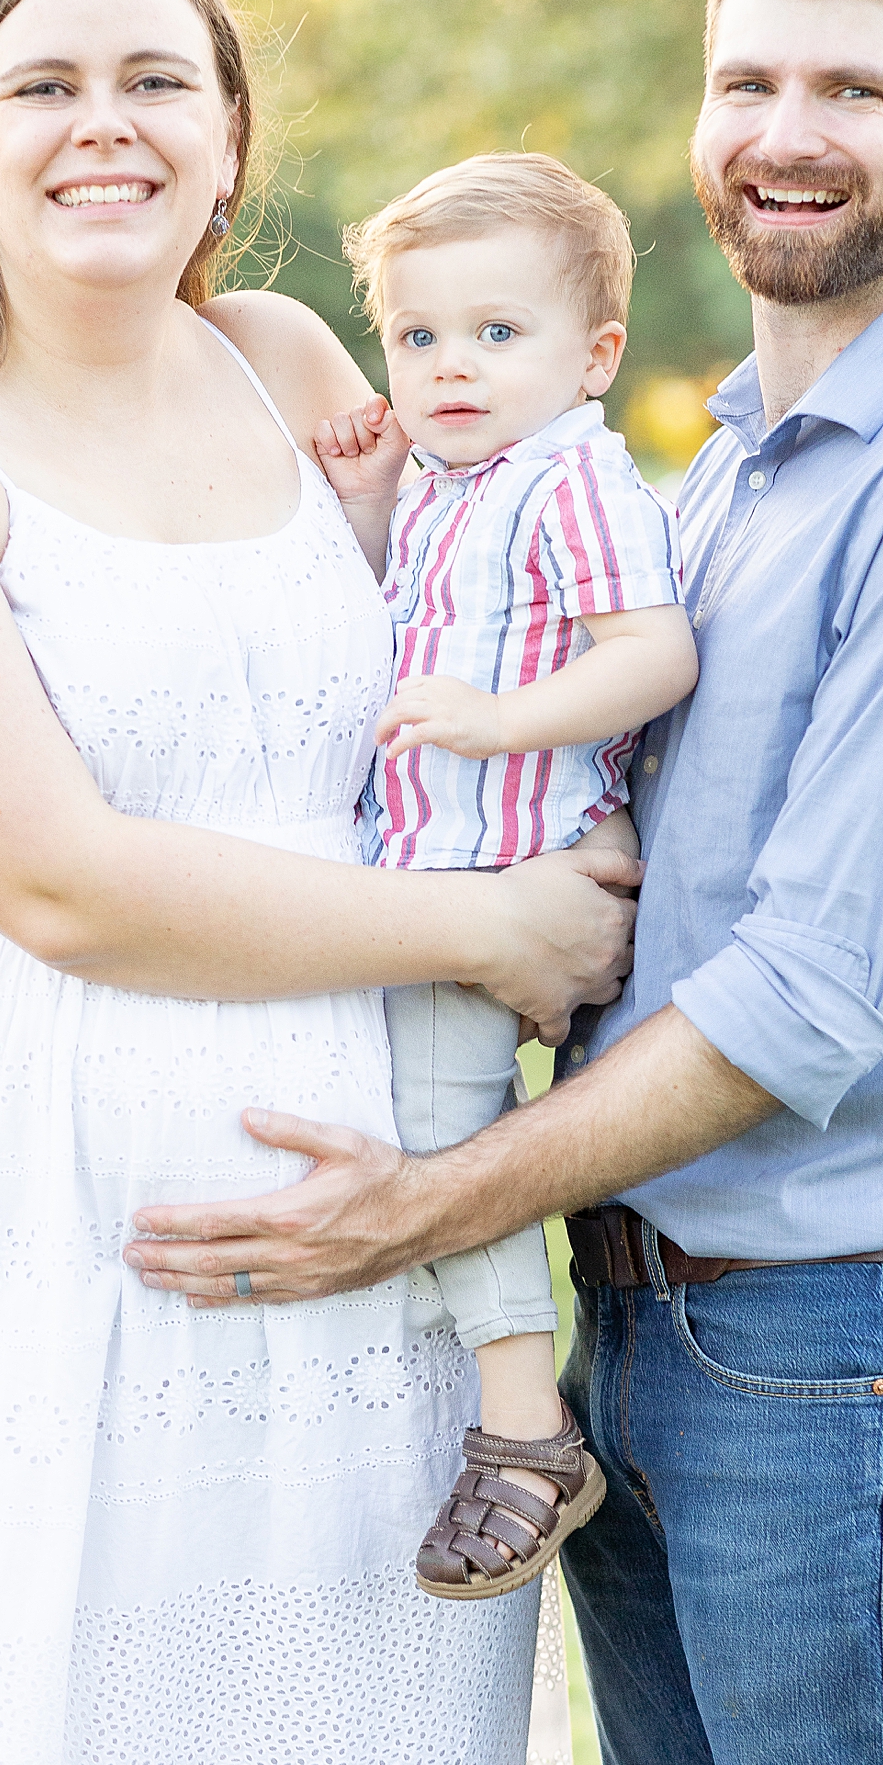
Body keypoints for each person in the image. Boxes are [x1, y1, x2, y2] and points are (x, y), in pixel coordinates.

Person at [125, 0, 883, 1765]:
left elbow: (812, 1001)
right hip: (655, 1336)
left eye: (855, 86)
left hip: (855, 1357)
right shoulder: (730, 463)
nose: (787, 129)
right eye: (747, 76)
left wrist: (428, 1205)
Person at [0, 0, 639, 1765]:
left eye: (159, 80)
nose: (108, 126)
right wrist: (488, 933)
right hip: (58, 1217)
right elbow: (59, 883)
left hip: (387, 1214)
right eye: (46, 86)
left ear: (231, 140)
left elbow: (473, 632)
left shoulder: (290, 359)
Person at [310, 154, 697, 1597]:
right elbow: (397, 637)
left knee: (436, 1132)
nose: (449, 366)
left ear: (595, 356)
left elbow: (653, 653)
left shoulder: (570, 480)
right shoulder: (450, 486)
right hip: (432, 879)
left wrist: (499, 722)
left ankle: (525, 1432)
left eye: (495, 333)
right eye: (417, 337)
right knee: (421, 1116)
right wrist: (363, 508)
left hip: (504, 877)